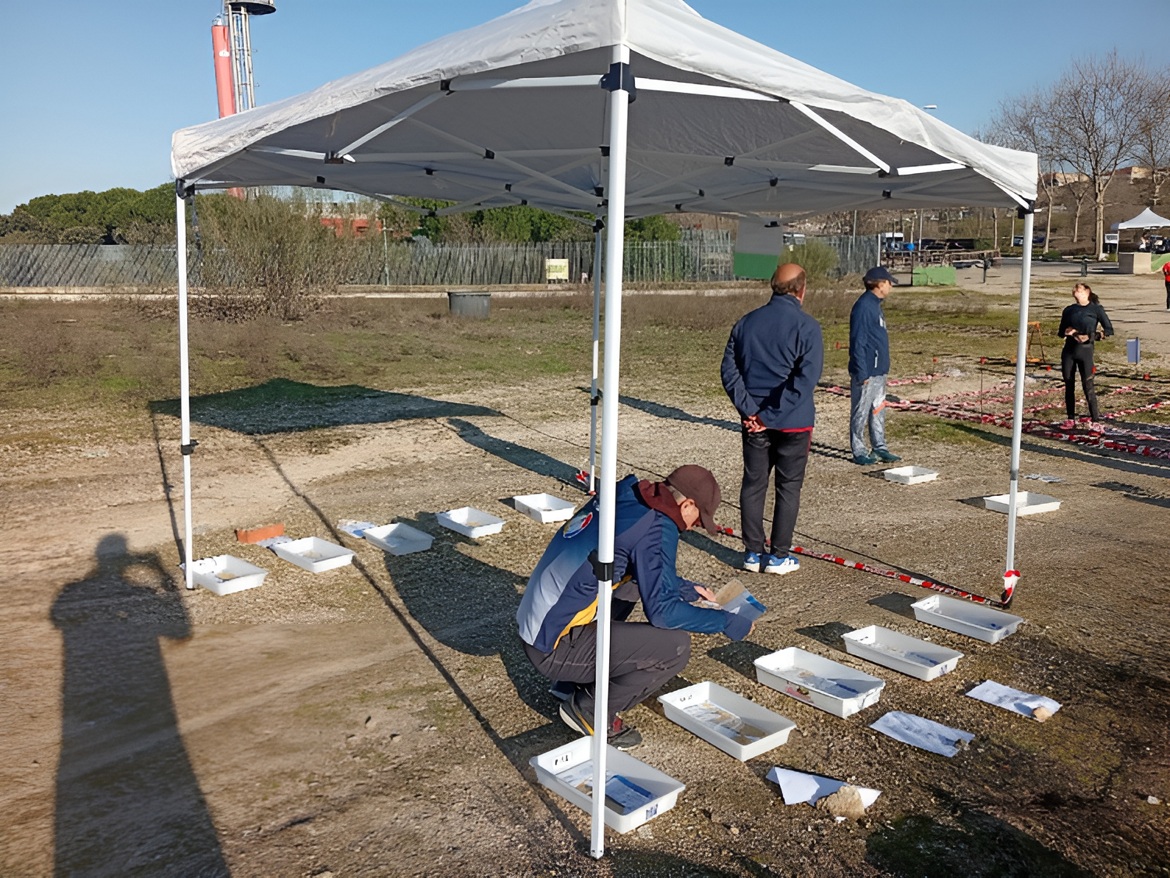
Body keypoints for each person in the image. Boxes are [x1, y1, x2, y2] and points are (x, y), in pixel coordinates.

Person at [516, 465, 753, 750]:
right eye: (698, 520)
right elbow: (664, 613)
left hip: (538, 624)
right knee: (675, 647)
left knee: (628, 587)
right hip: (553, 647)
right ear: (687, 504)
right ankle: (589, 709)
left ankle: (569, 684)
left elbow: (637, 566)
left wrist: (686, 589)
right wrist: (726, 622)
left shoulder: (630, 498)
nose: (693, 527)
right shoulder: (658, 526)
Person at [721, 263, 823, 575]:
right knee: (788, 487)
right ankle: (779, 556)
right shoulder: (807, 327)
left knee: (754, 484)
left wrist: (751, 411)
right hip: (793, 421)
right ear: (802, 289)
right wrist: (768, 415)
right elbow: (805, 381)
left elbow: (729, 371)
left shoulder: (746, 323)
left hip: (754, 420)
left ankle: (752, 553)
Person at [848, 266, 902, 465]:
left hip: (879, 369)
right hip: (867, 370)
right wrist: (862, 371)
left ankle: (880, 446)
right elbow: (858, 341)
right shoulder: (863, 306)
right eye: (888, 283)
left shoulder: (875, 305)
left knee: (878, 408)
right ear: (879, 284)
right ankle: (859, 450)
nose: (890, 287)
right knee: (861, 411)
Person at [1057, 282, 1113, 429]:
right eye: (1075, 290)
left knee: (1088, 386)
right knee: (1069, 384)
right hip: (1069, 351)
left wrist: (1091, 336)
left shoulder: (1096, 309)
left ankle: (1095, 420)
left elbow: (1109, 330)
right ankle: (1070, 418)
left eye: (1079, 289)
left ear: (1087, 292)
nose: (1076, 291)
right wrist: (1069, 332)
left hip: (1086, 351)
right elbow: (1061, 331)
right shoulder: (1069, 310)